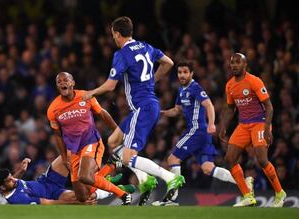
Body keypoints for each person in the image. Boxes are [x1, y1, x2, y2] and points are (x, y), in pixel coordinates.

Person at [83, 16, 184, 205]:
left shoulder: (122, 54)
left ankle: (169, 178)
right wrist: (152, 81)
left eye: (113, 35)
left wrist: (92, 93)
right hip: (146, 106)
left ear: (118, 34)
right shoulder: (145, 46)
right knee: (113, 141)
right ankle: (145, 179)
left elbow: (111, 86)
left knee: (128, 157)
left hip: (142, 108)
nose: (113, 38)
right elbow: (169, 62)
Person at [158, 60, 253, 205]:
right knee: (208, 168)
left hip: (197, 130)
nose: (182, 75)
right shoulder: (181, 90)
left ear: (191, 73)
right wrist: (162, 113)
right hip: (200, 133)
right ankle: (244, 183)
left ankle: (172, 199)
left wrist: (211, 124)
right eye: (179, 72)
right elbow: (177, 110)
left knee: (173, 159)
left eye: (185, 72)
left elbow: (209, 104)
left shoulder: (195, 88)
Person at [47, 72, 131, 205]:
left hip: (91, 141)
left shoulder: (85, 96)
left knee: (85, 176)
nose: (62, 83)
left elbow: (102, 114)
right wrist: (64, 157)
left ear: (72, 82)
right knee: (83, 197)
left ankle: (123, 194)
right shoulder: (53, 109)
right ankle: (110, 168)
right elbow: (57, 135)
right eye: (59, 82)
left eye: (65, 80)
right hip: (73, 150)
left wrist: (118, 132)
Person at [219, 53, 286, 207]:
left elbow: (269, 107)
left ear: (245, 65)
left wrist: (267, 127)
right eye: (232, 63)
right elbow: (230, 108)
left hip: (259, 123)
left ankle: (279, 192)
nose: (234, 65)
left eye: (237, 62)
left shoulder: (254, 81)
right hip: (243, 125)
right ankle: (247, 195)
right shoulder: (229, 85)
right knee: (229, 159)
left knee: (262, 159)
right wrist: (223, 127)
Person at [0, 157, 96, 204]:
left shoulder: (10, 185)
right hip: (53, 195)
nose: (14, 179)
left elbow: (13, 180)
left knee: (68, 155)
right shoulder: (18, 199)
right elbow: (48, 203)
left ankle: (95, 171)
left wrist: (22, 170)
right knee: (84, 197)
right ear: (2, 187)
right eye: (9, 180)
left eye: (12, 176)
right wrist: (77, 203)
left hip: (47, 180)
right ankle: (105, 189)